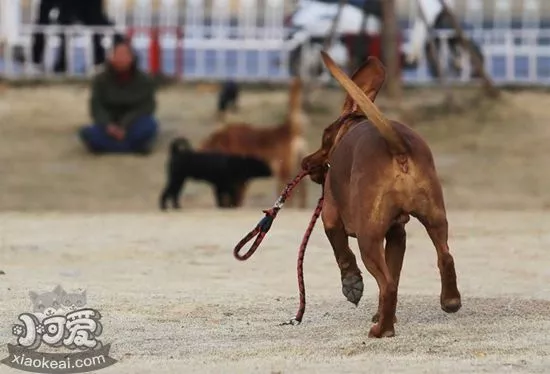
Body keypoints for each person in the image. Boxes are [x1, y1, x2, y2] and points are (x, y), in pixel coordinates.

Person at [79, 38, 159, 155]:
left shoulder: (144, 80)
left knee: (149, 126)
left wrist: (124, 126)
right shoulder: (100, 80)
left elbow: (147, 107)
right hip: (109, 123)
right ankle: (130, 148)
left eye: (124, 55)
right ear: (111, 58)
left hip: (133, 123)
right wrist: (109, 126)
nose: (120, 59)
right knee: (87, 133)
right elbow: (96, 107)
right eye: (117, 55)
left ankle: (111, 147)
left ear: (132, 58)